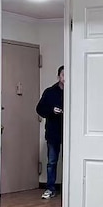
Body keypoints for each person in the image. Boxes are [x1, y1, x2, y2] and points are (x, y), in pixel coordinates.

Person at [36, 65, 64, 199]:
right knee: (52, 161)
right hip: (53, 132)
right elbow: (40, 109)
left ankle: (70, 188)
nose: (65, 78)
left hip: (70, 133)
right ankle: (50, 188)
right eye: (63, 75)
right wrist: (52, 111)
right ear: (59, 76)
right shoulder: (50, 92)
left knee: (70, 161)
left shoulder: (75, 91)